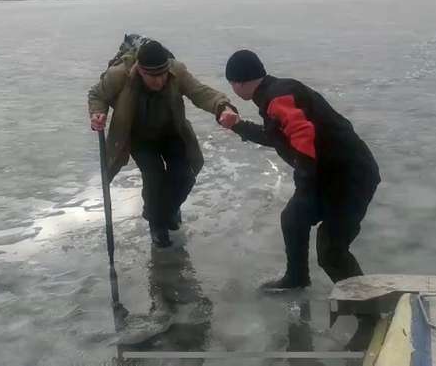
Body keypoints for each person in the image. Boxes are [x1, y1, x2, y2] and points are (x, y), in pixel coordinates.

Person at [218, 49, 381, 292]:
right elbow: (278, 136)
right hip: (329, 174)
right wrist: (239, 126)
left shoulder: (277, 99)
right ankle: (297, 278)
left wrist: (304, 186)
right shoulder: (276, 93)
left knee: (331, 251)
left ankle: (368, 307)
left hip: (350, 178)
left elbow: (303, 134)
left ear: (237, 83)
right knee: (293, 218)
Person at [88, 39, 238, 248]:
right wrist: (98, 113)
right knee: (154, 177)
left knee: (185, 176)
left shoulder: (176, 71)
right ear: (140, 69)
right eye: (152, 76)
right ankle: (157, 225)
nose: (159, 81)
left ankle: (167, 211)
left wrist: (222, 107)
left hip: (171, 132)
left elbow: (200, 92)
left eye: (162, 74)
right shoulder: (119, 75)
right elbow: (97, 95)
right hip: (139, 136)